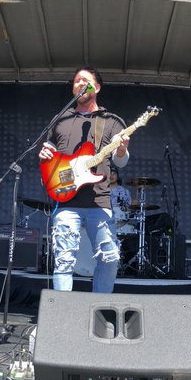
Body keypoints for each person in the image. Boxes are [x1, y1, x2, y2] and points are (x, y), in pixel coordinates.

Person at [38, 67, 130, 293]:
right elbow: (49, 155)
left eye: (85, 81)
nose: (80, 84)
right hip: (66, 201)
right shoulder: (60, 119)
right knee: (64, 259)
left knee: (109, 258)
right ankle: (62, 315)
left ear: (96, 88)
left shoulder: (111, 121)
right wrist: (44, 156)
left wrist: (121, 150)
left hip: (99, 202)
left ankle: (99, 309)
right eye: (77, 81)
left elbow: (121, 163)